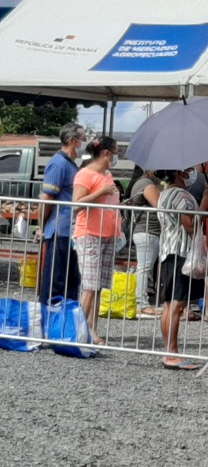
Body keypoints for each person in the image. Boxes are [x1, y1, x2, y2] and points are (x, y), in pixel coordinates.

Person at [157, 169, 208, 370]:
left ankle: (169, 350)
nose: (192, 173)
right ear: (179, 173)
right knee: (177, 305)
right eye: (189, 170)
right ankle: (171, 352)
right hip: (180, 251)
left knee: (169, 304)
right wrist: (206, 200)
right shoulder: (181, 195)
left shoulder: (165, 193)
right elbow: (190, 225)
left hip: (168, 249)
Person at [72, 136, 122, 345]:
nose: (117, 156)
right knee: (90, 285)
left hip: (108, 234)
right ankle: (78, 331)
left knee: (98, 286)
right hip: (90, 233)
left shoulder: (107, 174)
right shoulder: (85, 174)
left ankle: (92, 330)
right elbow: (76, 204)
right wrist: (100, 192)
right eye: (116, 152)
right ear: (106, 154)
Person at [38, 123, 86, 307]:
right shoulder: (58, 164)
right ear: (72, 141)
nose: (83, 143)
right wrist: (42, 228)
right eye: (82, 139)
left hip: (69, 232)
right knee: (55, 283)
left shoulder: (70, 164)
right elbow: (46, 199)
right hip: (60, 230)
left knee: (70, 282)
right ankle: (47, 324)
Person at [125, 166, 164, 318]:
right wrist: (161, 192)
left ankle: (141, 302)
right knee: (144, 268)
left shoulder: (144, 183)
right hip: (147, 231)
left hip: (148, 231)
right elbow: (159, 204)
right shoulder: (146, 184)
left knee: (144, 267)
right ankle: (142, 303)